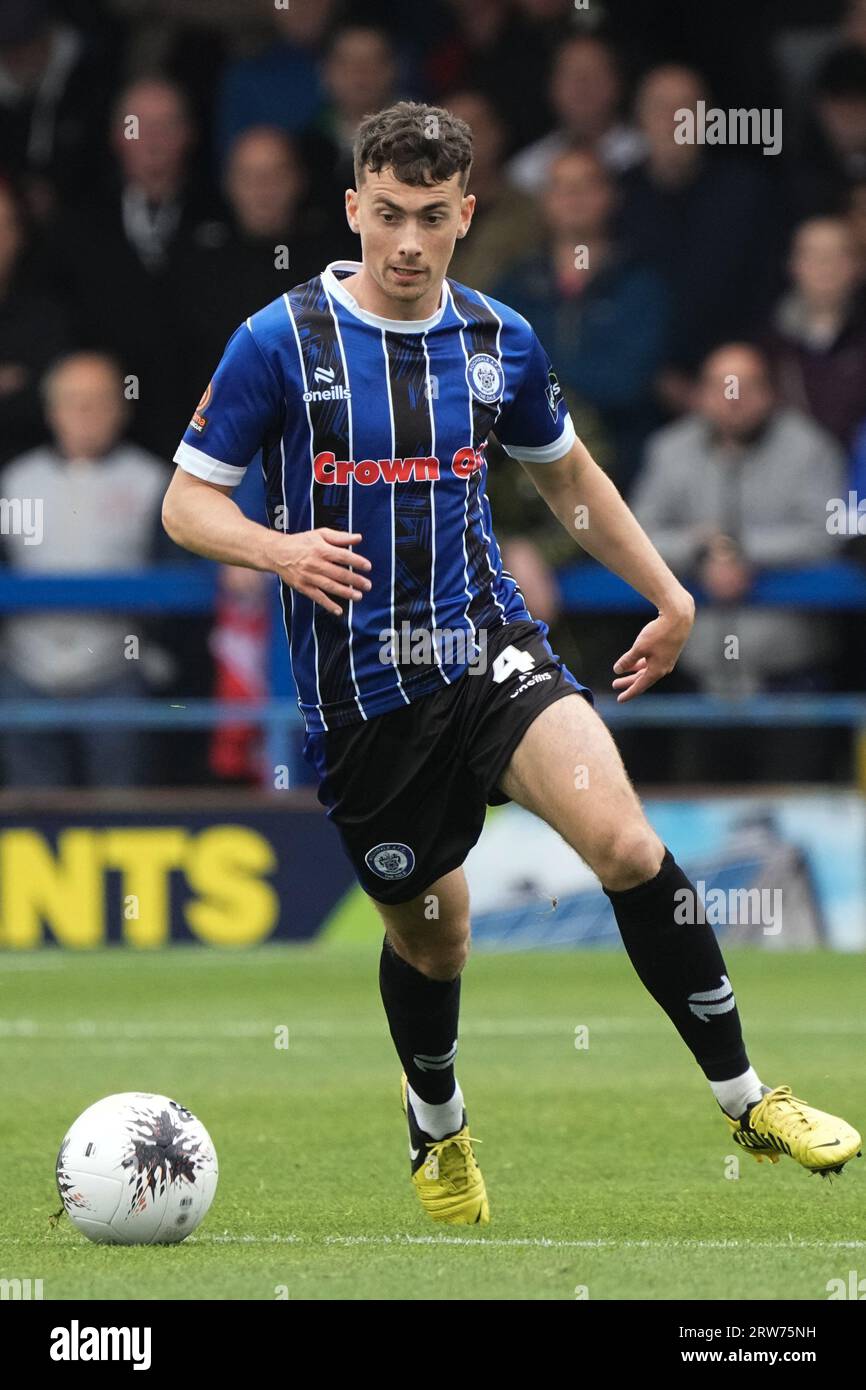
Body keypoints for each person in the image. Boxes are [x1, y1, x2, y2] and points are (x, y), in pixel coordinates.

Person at [161, 102, 860, 1226]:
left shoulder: (497, 340)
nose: (404, 241)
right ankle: (435, 1123)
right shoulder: (277, 342)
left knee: (628, 843)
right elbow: (187, 502)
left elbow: (568, 479)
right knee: (432, 939)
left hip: (486, 645)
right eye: (384, 213)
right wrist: (275, 545)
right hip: (362, 693)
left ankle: (746, 1096)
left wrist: (668, 594)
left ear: (464, 216)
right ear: (351, 209)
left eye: (429, 218)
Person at [0, 352, 166, 787]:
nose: (86, 414)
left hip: (117, 669)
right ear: (52, 411)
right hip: (25, 670)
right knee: (31, 818)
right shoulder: (16, 482)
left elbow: (179, 575)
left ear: (122, 407)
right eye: (74, 401)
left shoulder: (152, 481)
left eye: (99, 401)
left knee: (123, 815)